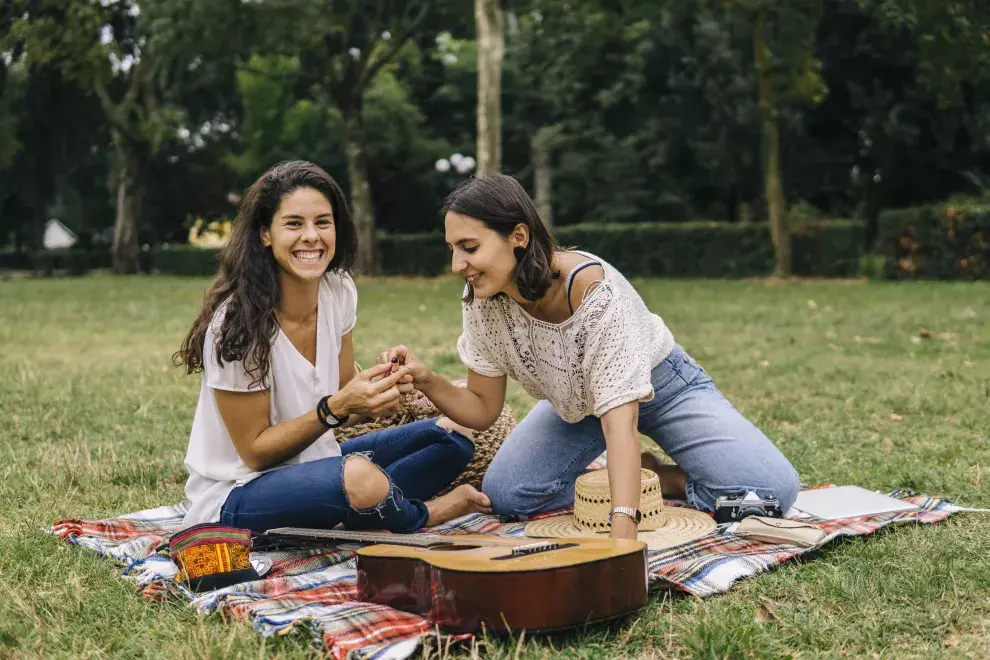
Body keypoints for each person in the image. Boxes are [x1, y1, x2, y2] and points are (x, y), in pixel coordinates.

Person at [378, 173, 799, 541]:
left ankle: (639, 480)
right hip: (578, 408)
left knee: (771, 492)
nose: (457, 264)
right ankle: (659, 477)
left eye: (469, 247)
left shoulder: (595, 292)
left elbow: (622, 424)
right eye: (452, 249)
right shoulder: (483, 301)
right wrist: (427, 379)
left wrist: (622, 535)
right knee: (508, 495)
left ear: (518, 237)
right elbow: (484, 408)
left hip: (664, 387)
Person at [173, 160, 491, 534]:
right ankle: (420, 516)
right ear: (265, 234)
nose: (311, 236)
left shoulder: (338, 290)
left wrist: (380, 391)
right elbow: (255, 453)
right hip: (237, 493)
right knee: (358, 476)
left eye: (323, 222)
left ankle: (362, 507)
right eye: (294, 223)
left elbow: (345, 402)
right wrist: (335, 409)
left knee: (452, 437)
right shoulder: (237, 323)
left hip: (318, 466)